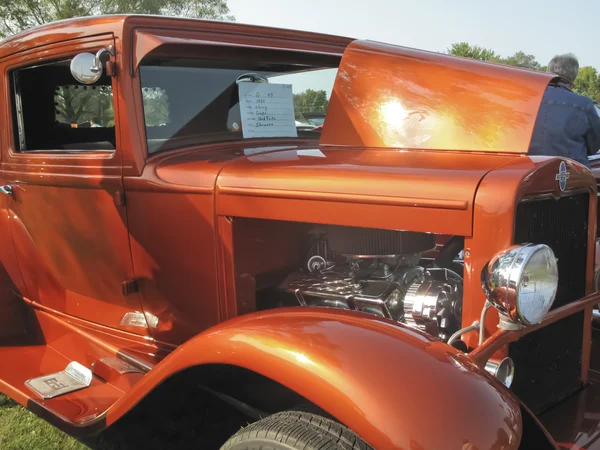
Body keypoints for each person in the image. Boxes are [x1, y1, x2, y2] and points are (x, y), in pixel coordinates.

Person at [529, 54, 600, 168]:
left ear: (548, 72)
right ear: (573, 77)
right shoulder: (584, 104)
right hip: (573, 175)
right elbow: (594, 146)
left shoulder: (528, 100)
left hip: (530, 173)